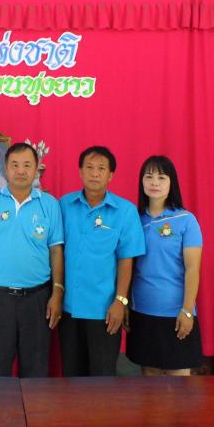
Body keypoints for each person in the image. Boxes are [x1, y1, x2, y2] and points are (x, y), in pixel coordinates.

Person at [0, 142, 64, 377]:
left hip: (38, 298)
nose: (21, 170)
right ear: (5, 168)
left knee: (35, 371)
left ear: (36, 168)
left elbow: (56, 251)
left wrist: (57, 293)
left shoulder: (50, 204)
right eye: (14, 165)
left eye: (27, 165)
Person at [58, 146, 145, 376]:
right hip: (68, 308)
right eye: (89, 167)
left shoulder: (125, 211)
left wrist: (120, 301)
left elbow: (126, 260)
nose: (94, 173)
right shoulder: (64, 205)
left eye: (101, 168)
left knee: (102, 378)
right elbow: (55, 251)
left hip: (104, 310)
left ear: (110, 175)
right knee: (71, 376)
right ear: (80, 171)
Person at [127, 155, 203, 376]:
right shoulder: (134, 219)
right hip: (142, 310)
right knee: (149, 380)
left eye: (161, 177)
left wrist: (187, 310)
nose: (154, 183)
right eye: (149, 177)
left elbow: (192, 269)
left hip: (176, 313)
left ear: (172, 183)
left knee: (179, 383)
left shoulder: (186, 220)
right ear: (142, 182)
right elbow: (127, 265)